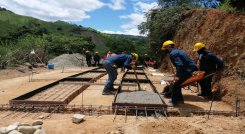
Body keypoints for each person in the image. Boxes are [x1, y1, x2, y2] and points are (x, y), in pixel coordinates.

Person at [161, 40, 197, 106]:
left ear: (169, 46)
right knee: (177, 85)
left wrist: (177, 75)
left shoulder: (173, 53)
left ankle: (175, 102)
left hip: (187, 70)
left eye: (166, 48)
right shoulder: (179, 51)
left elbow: (180, 65)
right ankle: (179, 101)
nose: (165, 50)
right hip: (189, 69)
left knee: (175, 86)